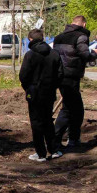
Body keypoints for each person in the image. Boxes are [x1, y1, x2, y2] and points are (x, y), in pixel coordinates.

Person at [53, 15, 97, 149]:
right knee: (74, 109)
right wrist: (94, 54)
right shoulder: (81, 37)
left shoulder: (59, 37)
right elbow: (85, 54)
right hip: (71, 76)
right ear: (83, 24)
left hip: (60, 76)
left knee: (69, 107)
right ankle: (64, 139)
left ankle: (65, 138)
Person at [19, 28, 64, 161]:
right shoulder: (54, 54)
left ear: (30, 39)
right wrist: (53, 86)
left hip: (34, 93)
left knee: (36, 123)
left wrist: (28, 88)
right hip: (49, 93)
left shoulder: (30, 55)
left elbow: (23, 75)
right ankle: (54, 149)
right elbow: (60, 74)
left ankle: (40, 153)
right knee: (48, 121)